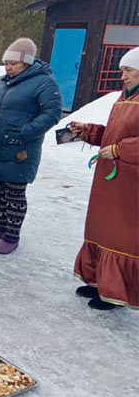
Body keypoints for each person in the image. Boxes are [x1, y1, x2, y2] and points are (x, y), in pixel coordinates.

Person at [0, 38, 62, 254]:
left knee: (14, 191)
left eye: (13, 63)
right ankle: (2, 226)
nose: (8, 67)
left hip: (19, 148)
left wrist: (26, 132)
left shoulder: (44, 82)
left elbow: (52, 113)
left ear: (27, 63)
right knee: (1, 188)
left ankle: (12, 236)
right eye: (6, 63)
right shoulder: (1, 82)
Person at [70, 46, 139, 310]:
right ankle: (98, 280)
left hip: (129, 182)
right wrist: (89, 131)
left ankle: (117, 290)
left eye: (129, 71)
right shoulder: (123, 99)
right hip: (110, 177)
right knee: (101, 227)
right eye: (122, 70)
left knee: (120, 233)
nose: (123, 76)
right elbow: (113, 134)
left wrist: (121, 150)